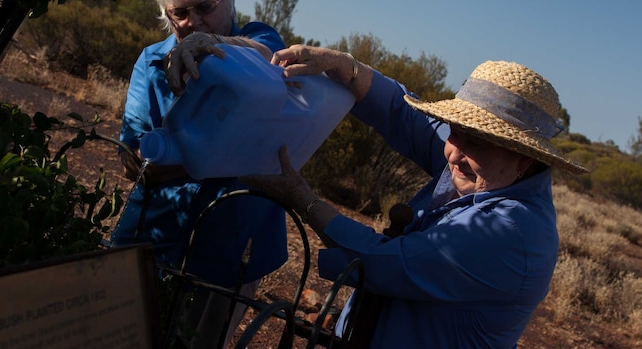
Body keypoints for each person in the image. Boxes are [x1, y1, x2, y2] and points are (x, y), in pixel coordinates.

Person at [242, 45, 588, 348]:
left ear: (524, 156)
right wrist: (344, 66)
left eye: (477, 142)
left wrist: (303, 199)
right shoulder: (488, 170)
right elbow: (401, 111)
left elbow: (381, 262)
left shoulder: (512, 232)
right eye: (455, 131)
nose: (452, 154)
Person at [110, 0, 288, 348]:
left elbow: (271, 60)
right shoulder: (153, 60)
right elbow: (132, 157)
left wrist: (218, 48)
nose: (193, 22)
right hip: (154, 230)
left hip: (231, 242)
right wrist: (218, 154)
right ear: (166, 14)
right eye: (180, 13)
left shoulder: (255, 38)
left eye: (205, 7)